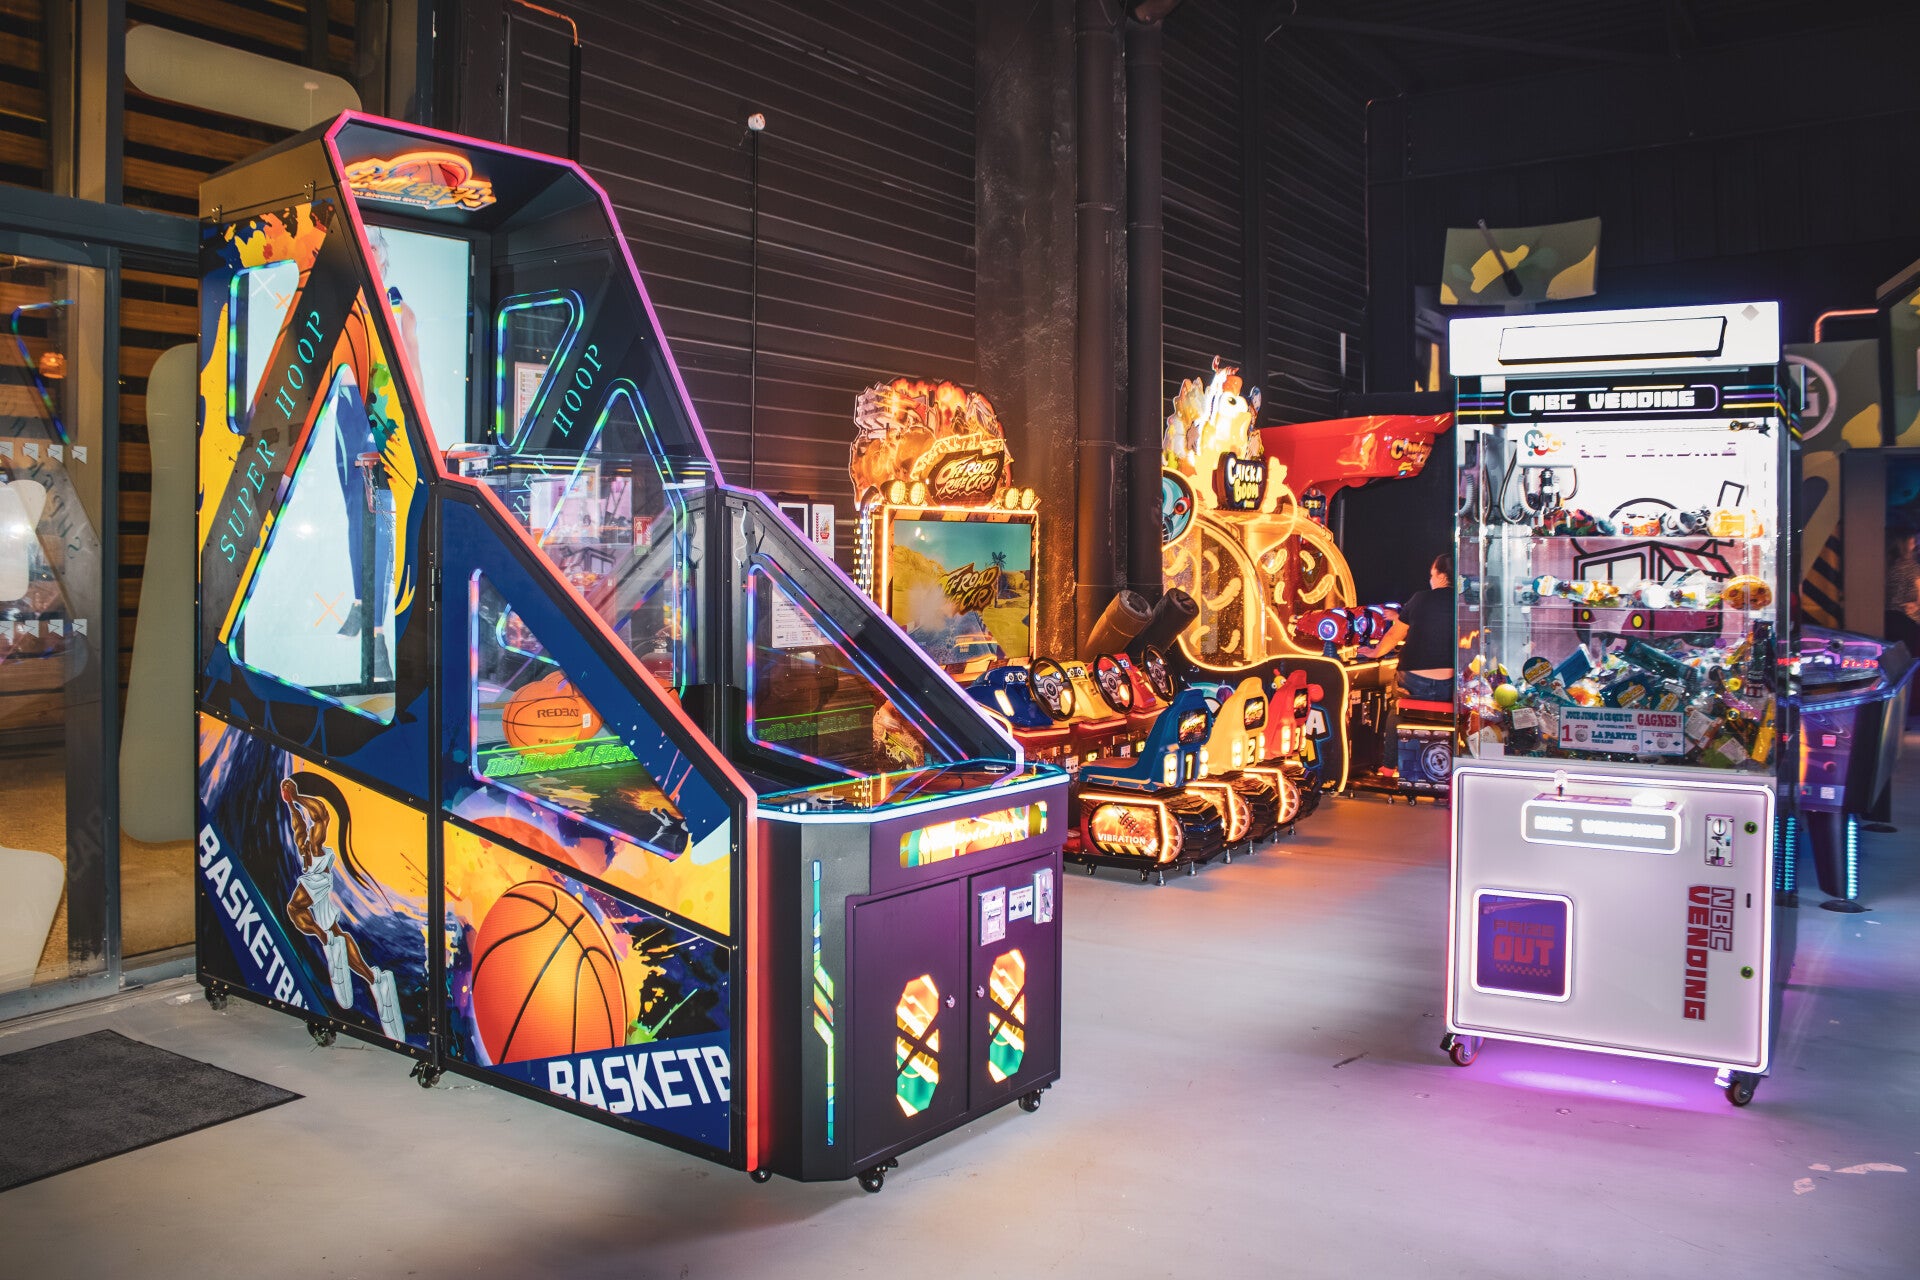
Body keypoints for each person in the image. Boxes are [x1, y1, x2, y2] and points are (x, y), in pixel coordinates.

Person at [282, 775, 405, 1041]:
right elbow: (299, 824)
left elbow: (321, 815)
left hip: (316, 880)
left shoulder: (316, 844)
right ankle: (375, 980)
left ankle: (327, 941)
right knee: (335, 931)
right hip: (315, 882)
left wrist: (298, 797)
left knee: (294, 908)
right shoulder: (303, 841)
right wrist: (291, 805)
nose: (301, 828)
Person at [1361, 553, 1456, 703]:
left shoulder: (1420, 598)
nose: (1430, 580)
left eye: (1432, 575)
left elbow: (1394, 635)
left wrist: (1375, 652)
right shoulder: (1462, 603)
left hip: (1414, 680)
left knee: (1392, 689)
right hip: (1450, 684)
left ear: (1442, 577)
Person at [1886, 527, 1920, 654]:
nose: (1915, 545)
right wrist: (1916, 605)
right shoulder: (1912, 567)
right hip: (1908, 620)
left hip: (1889, 618)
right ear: (1905, 543)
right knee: (1911, 657)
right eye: (1913, 541)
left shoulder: (1890, 565)